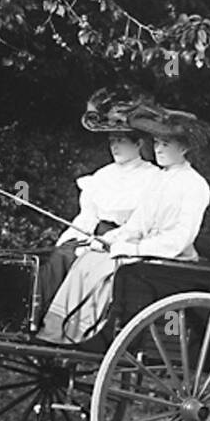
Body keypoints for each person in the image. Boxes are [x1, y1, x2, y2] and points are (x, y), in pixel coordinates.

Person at [37, 107, 210, 345]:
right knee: (89, 258)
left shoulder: (195, 185)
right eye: (157, 143)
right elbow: (137, 224)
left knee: (104, 267)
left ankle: (83, 331)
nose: (158, 149)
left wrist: (135, 249)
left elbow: (180, 238)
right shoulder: (160, 180)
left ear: (184, 148)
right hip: (146, 248)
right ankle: (58, 329)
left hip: (171, 256)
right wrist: (110, 239)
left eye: (166, 144)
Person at [36, 97, 159, 312]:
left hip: (125, 243)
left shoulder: (152, 178)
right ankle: (37, 314)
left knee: (70, 260)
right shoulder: (103, 175)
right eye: (112, 141)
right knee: (58, 255)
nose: (115, 146)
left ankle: (56, 318)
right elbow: (87, 217)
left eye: (121, 141)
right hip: (93, 238)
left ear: (138, 144)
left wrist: (109, 241)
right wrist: (71, 239)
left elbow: (141, 224)